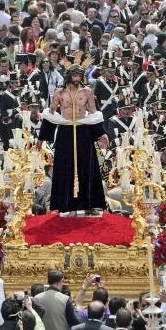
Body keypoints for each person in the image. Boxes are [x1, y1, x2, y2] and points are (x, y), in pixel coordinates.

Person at [38, 64, 108, 216]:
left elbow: (94, 113)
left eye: (80, 75)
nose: (77, 78)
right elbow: (50, 114)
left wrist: (102, 133)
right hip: (65, 131)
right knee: (65, 167)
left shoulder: (87, 92)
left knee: (87, 166)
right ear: (69, 76)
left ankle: (90, 204)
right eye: (75, 75)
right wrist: (42, 138)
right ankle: (66, 206)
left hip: (84, 130)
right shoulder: (59, 92)